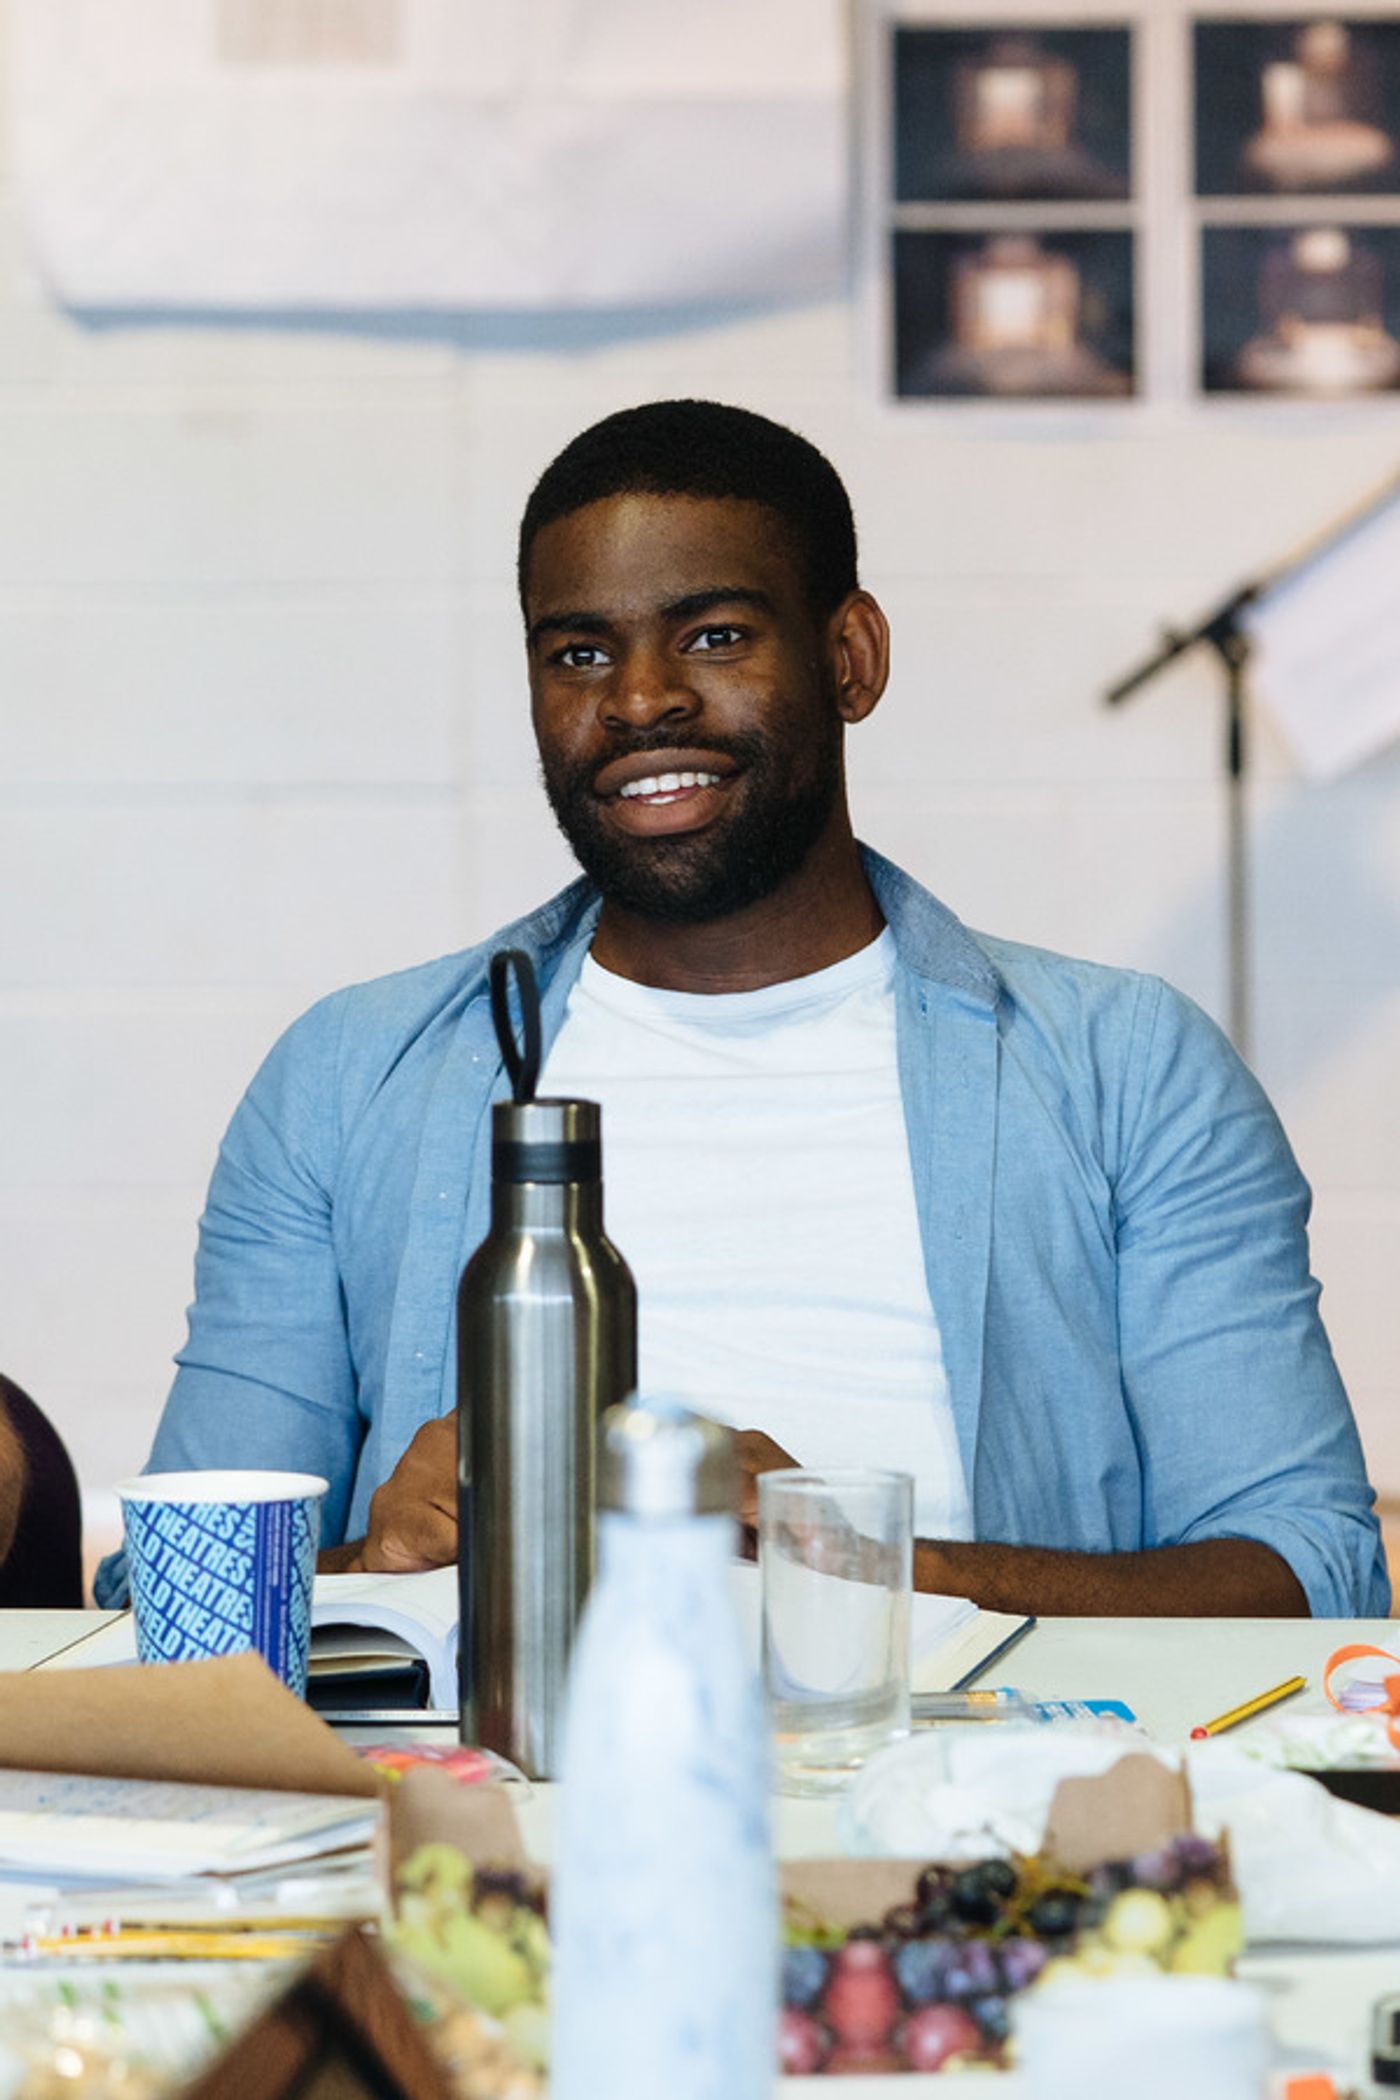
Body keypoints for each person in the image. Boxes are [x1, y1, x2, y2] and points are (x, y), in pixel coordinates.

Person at [97, 400, 1387, 1617]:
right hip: (486, 1778)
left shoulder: (1126, 1065)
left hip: (965, 1781)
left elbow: (1313, 1566)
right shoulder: (348, 1075)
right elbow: (158, 1594)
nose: (640, 698)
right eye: (580, 652)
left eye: (713, 635)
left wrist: (842, 1553)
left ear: (850, 658)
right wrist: (379, 1561)